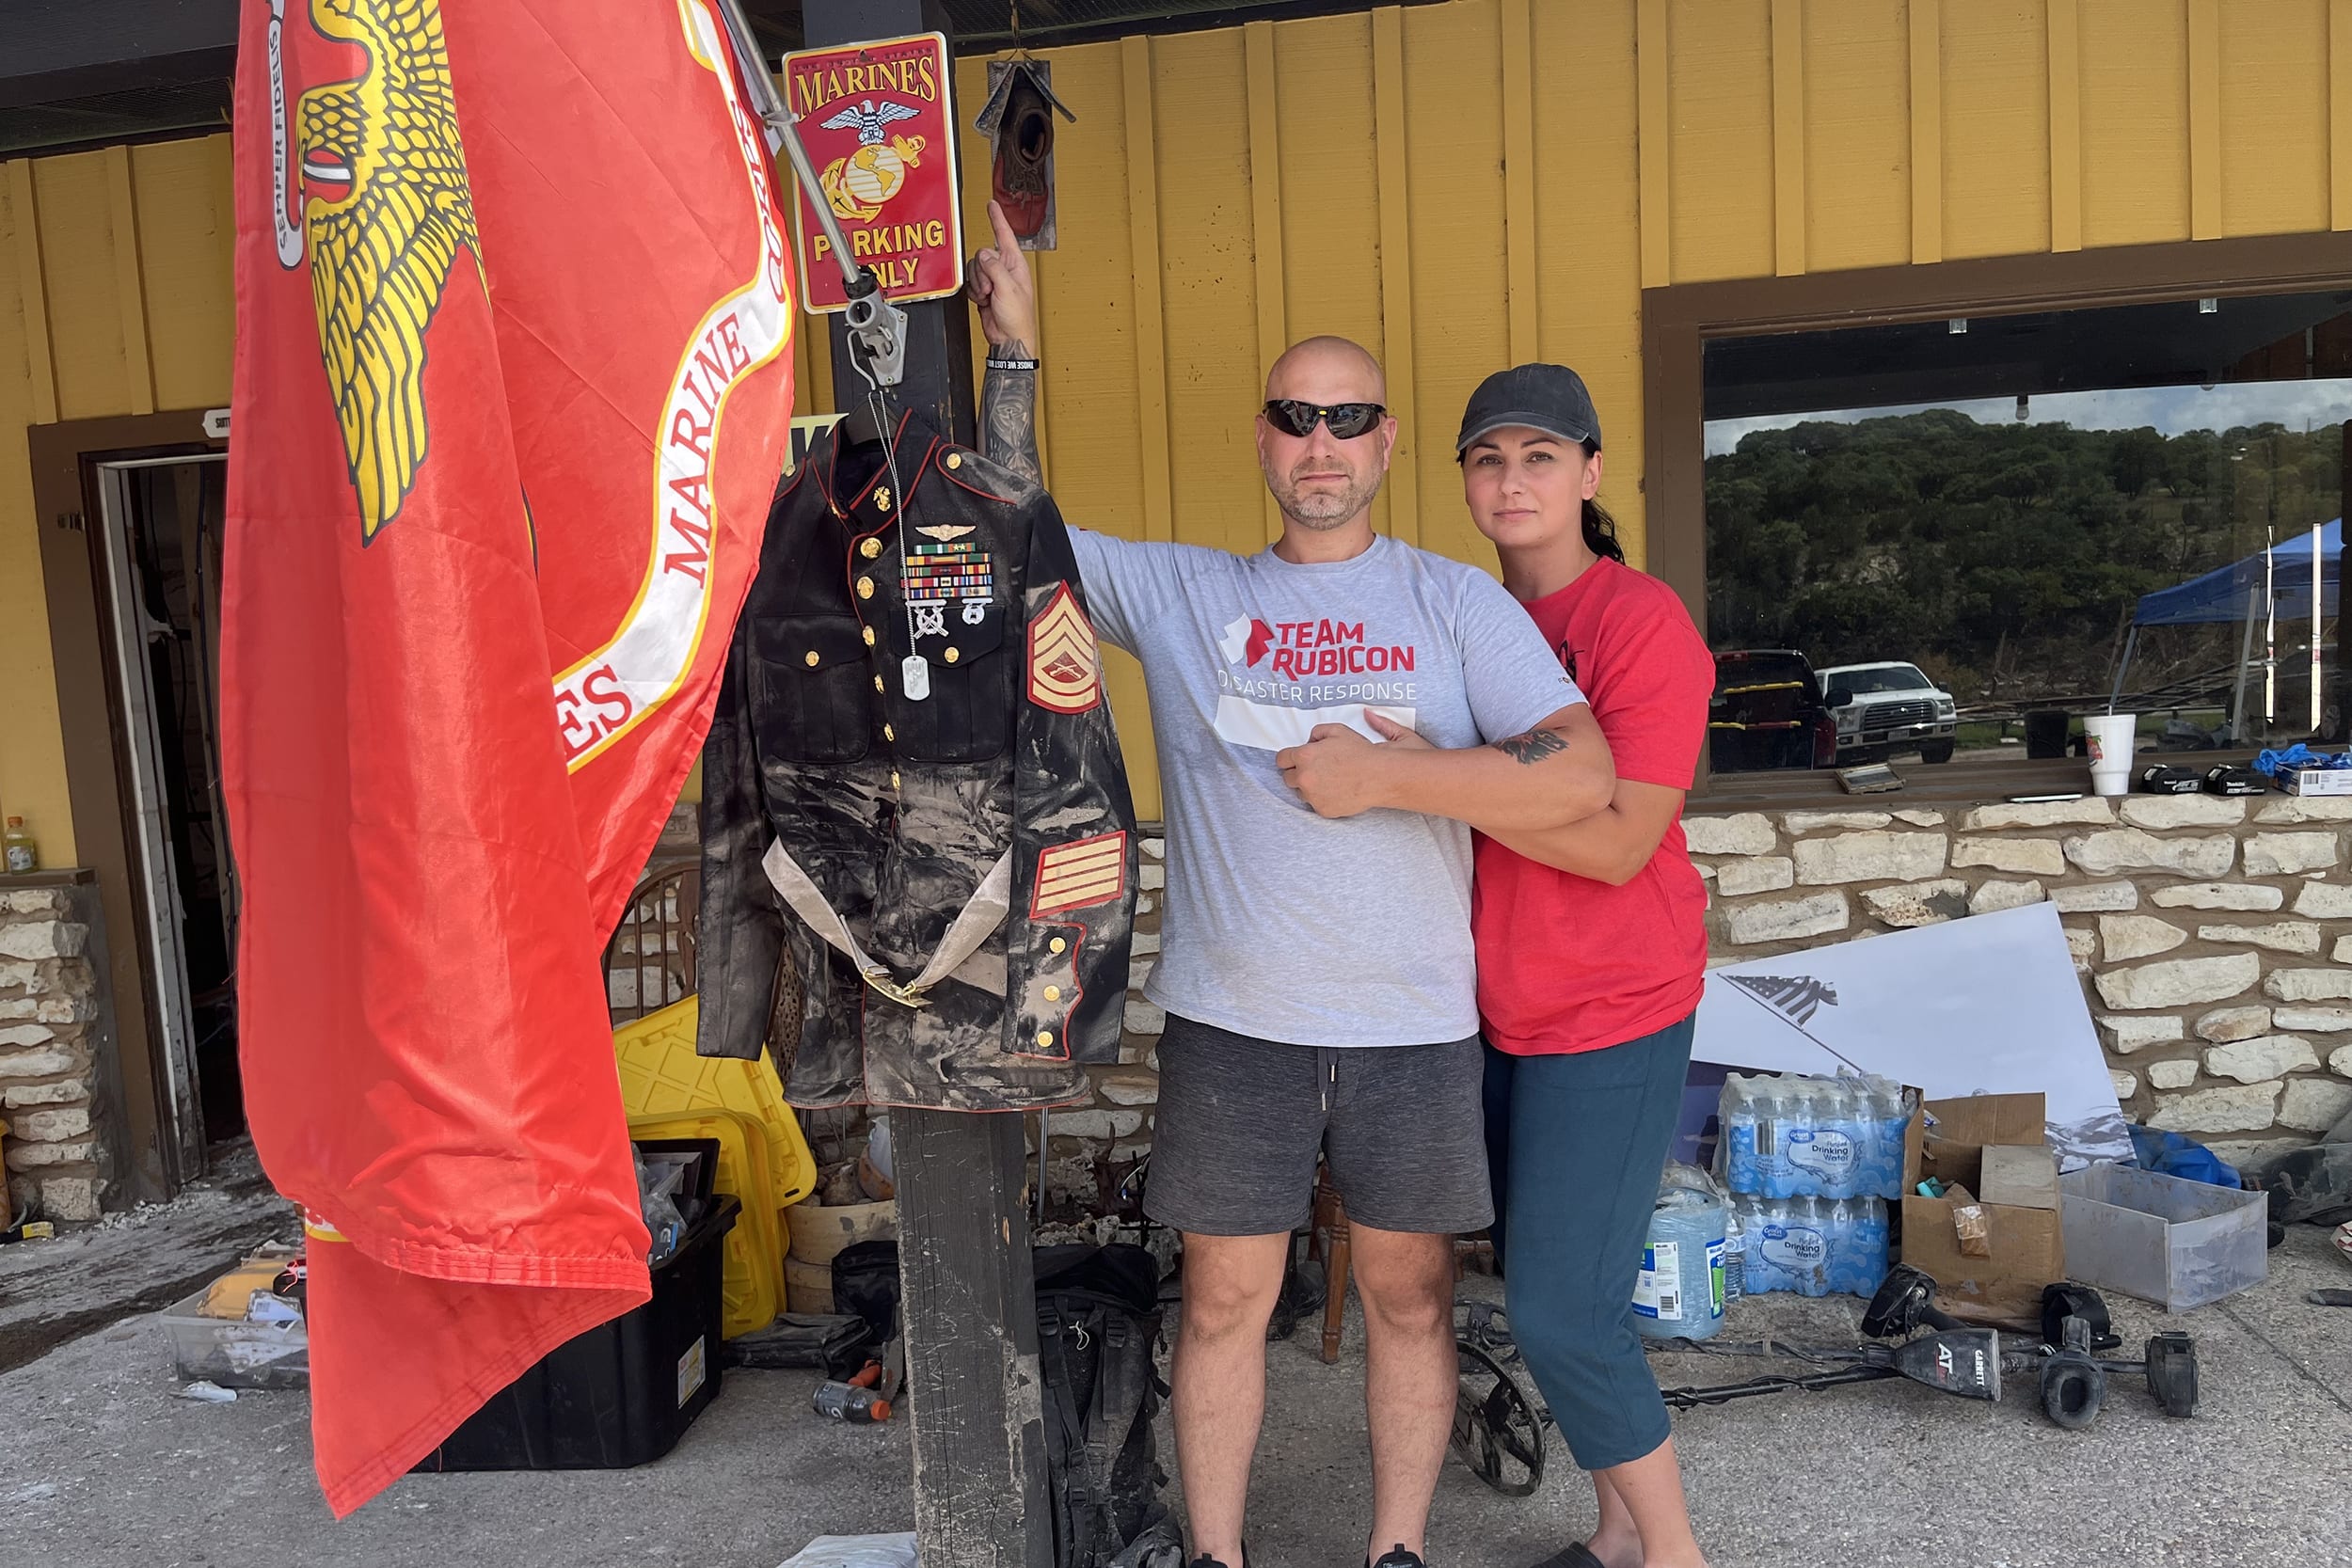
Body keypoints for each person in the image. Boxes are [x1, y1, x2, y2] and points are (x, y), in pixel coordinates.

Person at [965, 205, 1617, 1568]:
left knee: (1412, 1297)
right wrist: (1014, 356)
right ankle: (1218, 1555)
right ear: (1264, 440)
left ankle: (1397, 1553)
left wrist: (1398, 779)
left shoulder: (1453, 605)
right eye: (1293, 417)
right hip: (1235, 1016)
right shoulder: (1186, 592)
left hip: (1411, 1023)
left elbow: (1580, 776)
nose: (1319, 442)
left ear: (1383, 445)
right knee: (1219, 1301)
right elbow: (1016, 531)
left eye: (1347, 419)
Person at [1351, 364, 1716, 1568]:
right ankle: (1616, 1532)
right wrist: (1448, 774)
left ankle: (1673, 1552)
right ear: (1459, 477)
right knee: (1551, 1293)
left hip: (1608, 1007)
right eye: (1488, 458)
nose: (1512, 480)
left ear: (1591, 474)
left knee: (1563, 1313)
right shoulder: (1466, 616)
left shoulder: (1636, 621)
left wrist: (1425, 780)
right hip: (1491, 1008)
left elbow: (1617, 844)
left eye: (1540, 457)